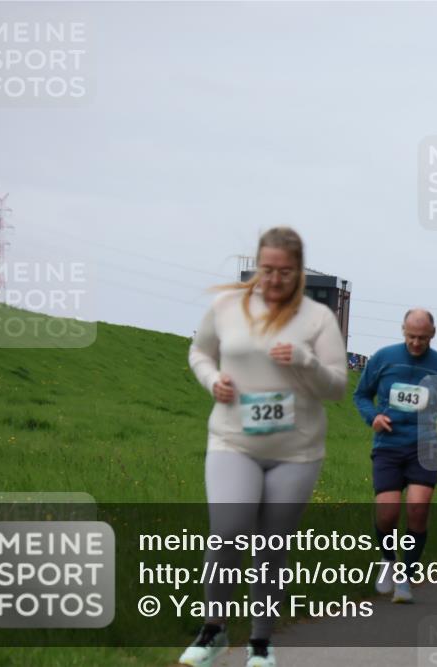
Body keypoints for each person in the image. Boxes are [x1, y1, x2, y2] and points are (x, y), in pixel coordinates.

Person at [182, 227, 348, 667]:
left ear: (298, 271)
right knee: (227, 533)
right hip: (233, 440)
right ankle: (213, 629)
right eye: (267, 270)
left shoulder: (317, 319)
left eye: (285, 272)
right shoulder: (226, 307)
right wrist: (212, 379)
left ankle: (261, 641)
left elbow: (336, 387)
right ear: (258, 265)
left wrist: (305, 361)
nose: (274, 280)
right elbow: (198, 353)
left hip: (297, 451)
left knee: (272, 546)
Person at [353, 309, 437, 602]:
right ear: (403, 330)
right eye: (411, 337)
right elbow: (361, 395)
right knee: (387, 513)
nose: (416, 343)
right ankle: (388, 560)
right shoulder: (384, 358)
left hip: (424, 446)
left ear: (433, 334)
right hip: (388, 445)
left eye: (422, 338)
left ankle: (405, 577)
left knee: (418, 509)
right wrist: (373, 417)